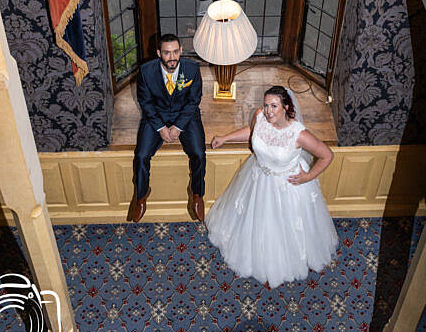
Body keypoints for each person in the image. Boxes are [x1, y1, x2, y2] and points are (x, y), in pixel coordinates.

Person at [206, 85, 338, 287]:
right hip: (258, 178)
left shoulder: (299, 134)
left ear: (286, 107)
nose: (268, 110)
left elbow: (327, 155)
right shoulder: (260, 116)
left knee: (283, 229)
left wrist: (308, 176)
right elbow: (252, 131)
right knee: (255, 221)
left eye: (274, 106)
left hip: (287, 187)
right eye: (266, 105)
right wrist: (225, 138)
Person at [130, 33, 206, 223]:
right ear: (159, 53)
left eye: (175, 52)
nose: (171, 57)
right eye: (166, 53)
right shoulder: (146, 71)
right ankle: (141, 195)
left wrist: (179, 126)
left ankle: (197, 193)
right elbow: (145, 102)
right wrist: (161, 128)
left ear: (180, 51)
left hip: (185, 116)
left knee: (199, 153)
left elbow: (194, 101)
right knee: (141, 155)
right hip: (156, 116)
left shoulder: (192, 69)